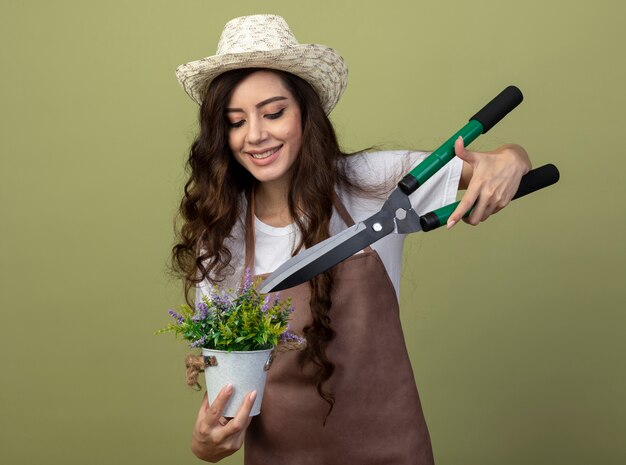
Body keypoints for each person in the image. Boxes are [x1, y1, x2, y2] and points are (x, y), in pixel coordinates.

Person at [172, 14, 531, 464]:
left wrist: (511, 159)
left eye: (274, 112)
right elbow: (223, 416)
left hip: (393, 452)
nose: (256, 135)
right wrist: (205, 444)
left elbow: (503, 163)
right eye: (236, 121)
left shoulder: (373, 182)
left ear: (305, 111)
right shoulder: (220, 240)